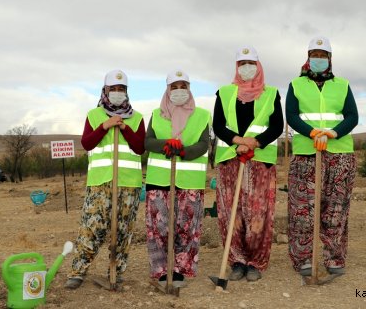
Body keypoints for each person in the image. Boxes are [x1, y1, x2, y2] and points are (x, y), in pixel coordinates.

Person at [65, 69, 145, 289]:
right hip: (100, 181)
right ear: (105, 91)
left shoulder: (137, 118)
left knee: (123, 230)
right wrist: (105, 126)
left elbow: (139, 147)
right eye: (113, 89)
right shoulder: (93, 115)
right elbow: (87, 143)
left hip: (128, 183)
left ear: (126, 92)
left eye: (122, 89)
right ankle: (78, 271)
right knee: (91, 227)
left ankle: (115, 272)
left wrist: (124, 127)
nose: (117, 93)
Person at [285, 36, 358, 278]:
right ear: (307, 57)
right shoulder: (296, 85)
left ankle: (334, 257)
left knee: (336, 208)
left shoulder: (343, 84)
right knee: (302, 209)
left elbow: (351, 116)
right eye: (314, 54)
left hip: (339, 154)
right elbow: (292, 115)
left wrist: (333, 133)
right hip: (307, 152)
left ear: (329, 58)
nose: (318, 59)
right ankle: (303, 258)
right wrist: (313, 132)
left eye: (322, 55)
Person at [212, 46, 283, 282]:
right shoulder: (224, 93)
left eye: (250, 63)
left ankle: (255, 261)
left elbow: (276, 126)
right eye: (242, 63)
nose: (246, 68)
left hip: (259, 162)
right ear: (236, 67)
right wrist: (238, 141)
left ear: (258, 65)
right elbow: (219, 125)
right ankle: (237, 260)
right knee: (231, 214)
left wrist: (255, 142)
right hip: (230, 162)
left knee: (257, 213)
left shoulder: (271, 93)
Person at [144, 70, 211, 288]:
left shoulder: (201, 115)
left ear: (189, 89)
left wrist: (182, 151)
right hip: (159, 181)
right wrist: (166, 143)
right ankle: (162, 270)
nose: (179, 90)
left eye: (183, 85)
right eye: (174, 86)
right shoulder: (156, 113)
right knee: (160, 228)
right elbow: (148, 142)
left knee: (186, 227)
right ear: (167, 89)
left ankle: (180, 269)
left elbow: (203, 144)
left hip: (189, 181)